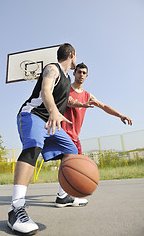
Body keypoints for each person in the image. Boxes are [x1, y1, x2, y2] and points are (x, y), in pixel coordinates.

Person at [7, 43, 88, 235]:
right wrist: (54, 111)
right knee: (33, 148)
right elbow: (46, 90)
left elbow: (66, 99)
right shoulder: (52, 68)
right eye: (76, 57)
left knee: (72, 152)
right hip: (34, 114)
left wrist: (83, 104)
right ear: (72, 55)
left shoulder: (67, 79)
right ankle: (15, 209)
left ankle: (63, 196)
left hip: (51, 122)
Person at [55, 62, 132, 207]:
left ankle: (65, 194)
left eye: (84, 73)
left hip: (75, 135)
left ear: (87, 75)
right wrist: (81, 105)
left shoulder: (87, 95)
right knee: (69, 163)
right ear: (74, 73)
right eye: (79, 72)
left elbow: (103, 106)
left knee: (74, 165)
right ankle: (62, 196)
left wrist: (120, 115)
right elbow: (69, 103)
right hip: (63, 132)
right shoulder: (66, 89)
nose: (81, 75)